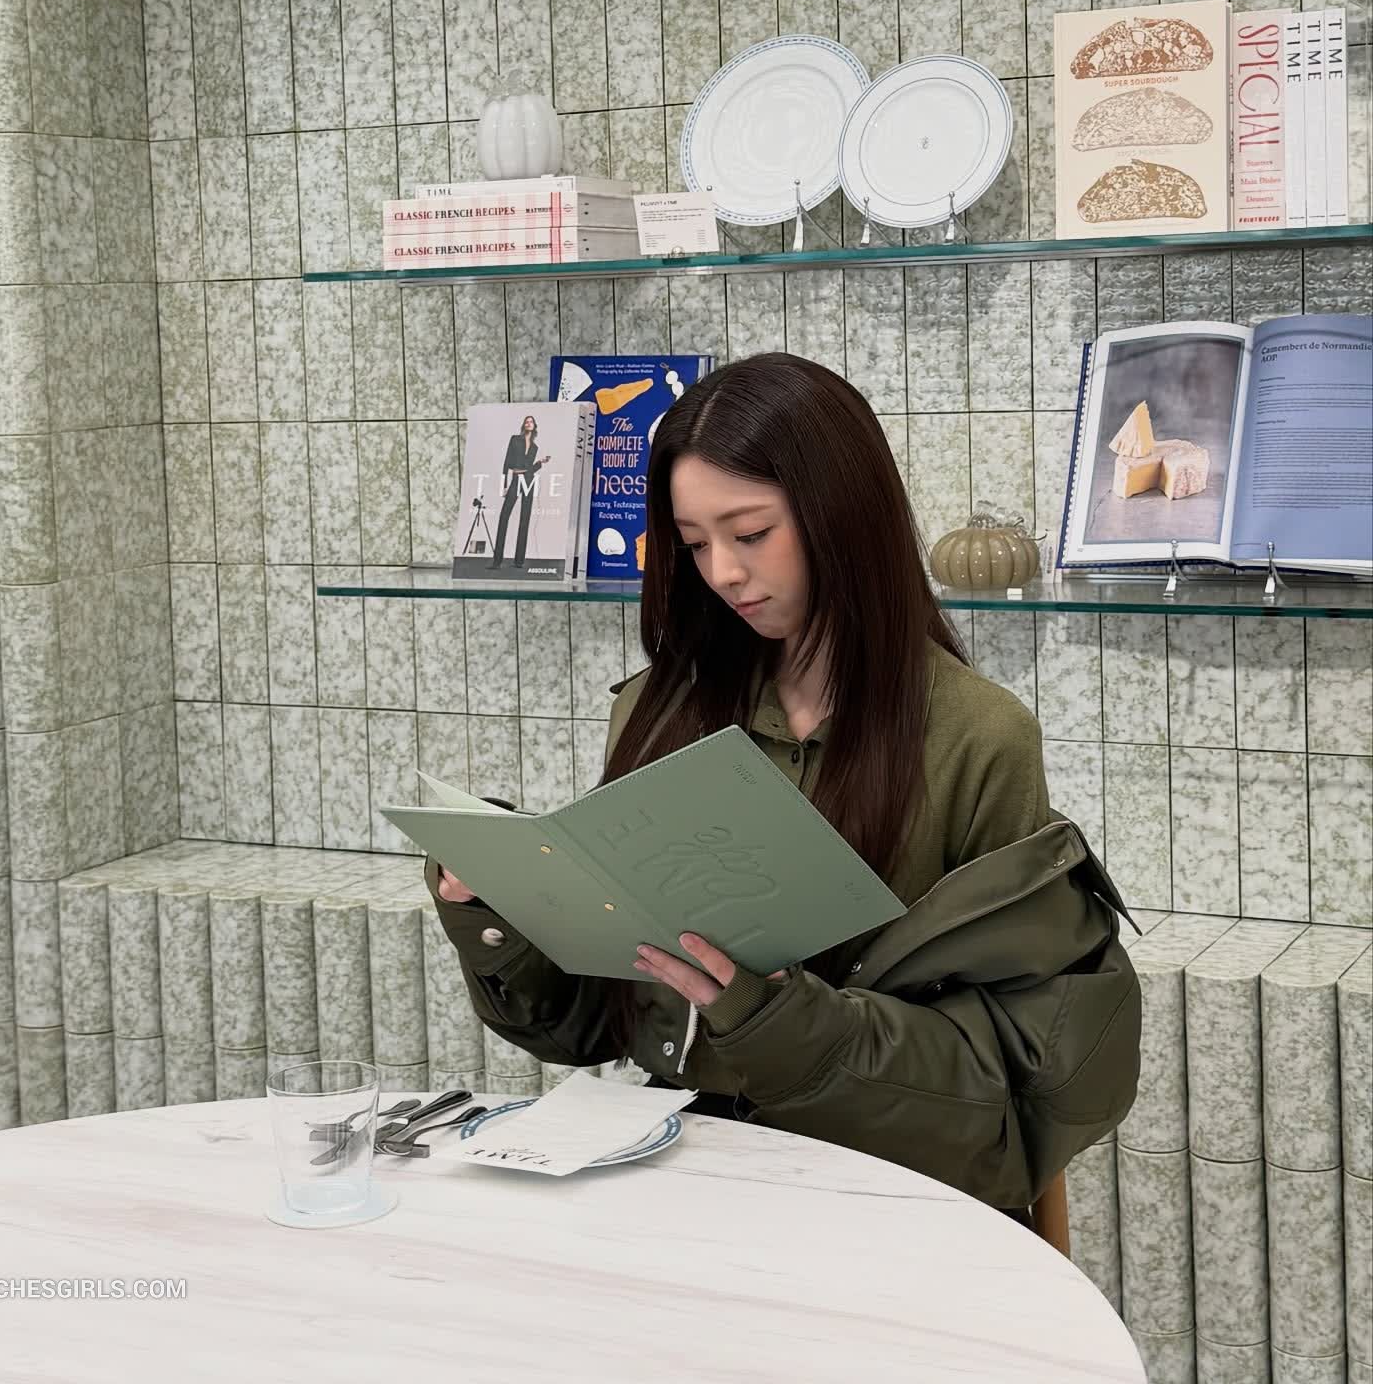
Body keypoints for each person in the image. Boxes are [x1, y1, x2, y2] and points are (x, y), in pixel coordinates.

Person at [428, 354, 1141, 1212]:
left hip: (889, 1185)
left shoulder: (980, 737)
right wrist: (498, 914)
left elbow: (1008, 1075)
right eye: (695, 543)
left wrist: (776, 1019)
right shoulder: (657, 711)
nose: (722, 572)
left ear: (843, 515)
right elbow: (590, 1027)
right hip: (677, 1164)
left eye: (750, 533)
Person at [489, 415, 550, 571]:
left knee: (525, 518)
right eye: (527, 421)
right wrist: (504, 485)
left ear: (534, 426)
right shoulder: (515, 439)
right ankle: (497, 561)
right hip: (516, 478)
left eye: (531, 422)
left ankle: (519, 561)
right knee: (504, 516)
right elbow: (506, 462)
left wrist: (540, 463)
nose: (529, 423)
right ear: (524, 425)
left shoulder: (535, 447)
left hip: (529, 480)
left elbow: (530, 469)